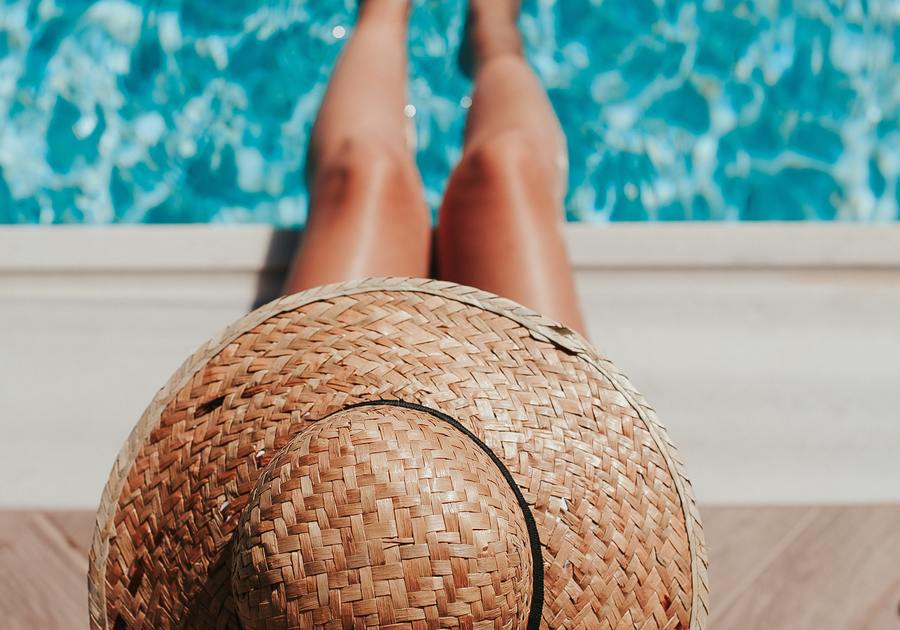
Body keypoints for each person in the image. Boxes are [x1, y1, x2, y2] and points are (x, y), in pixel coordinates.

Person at [283, 0, 587, 336]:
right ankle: (493, 35)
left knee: (363, 168)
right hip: (534, 388)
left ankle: (385, 15)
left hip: (329, 385)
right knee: (506, 163)